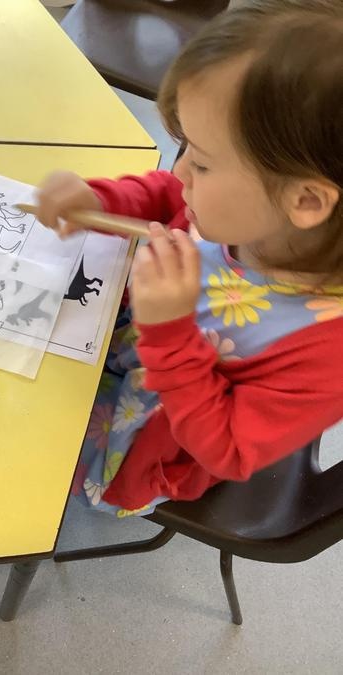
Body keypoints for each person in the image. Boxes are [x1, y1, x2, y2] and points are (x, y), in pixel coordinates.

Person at [37, 0, 343, 517]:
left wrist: (170, 334)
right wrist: (99, 200)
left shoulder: (325, 355)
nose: (181, 174)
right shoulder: (247, 215)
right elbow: (164, 196)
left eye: (200, 162)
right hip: (107, 338)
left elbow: (227, 450)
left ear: (306, 202)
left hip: (135, 443)